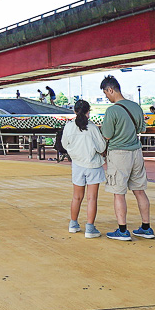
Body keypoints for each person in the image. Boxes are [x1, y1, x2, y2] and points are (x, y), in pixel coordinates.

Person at [99, 75, 154, 241]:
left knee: (119, 193)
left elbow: (107, 135)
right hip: (136, 152)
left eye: (105, 93)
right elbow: (142, 128)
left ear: (110, 90)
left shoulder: (112, 110)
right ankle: (146, 227)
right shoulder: (136, 107)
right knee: (139, 190)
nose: (106, 97)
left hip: (119, 154)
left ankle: (122, 230)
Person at [62, 99, 107, 239]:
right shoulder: (92, 127)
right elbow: (101, 147)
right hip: (93, 165)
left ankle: (73, 224)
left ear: (75, 111)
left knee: (77, 196)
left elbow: (64, 144)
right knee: (91, 198)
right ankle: (90, 228)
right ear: (88, 112)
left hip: (77, 164)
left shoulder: (69, 126)